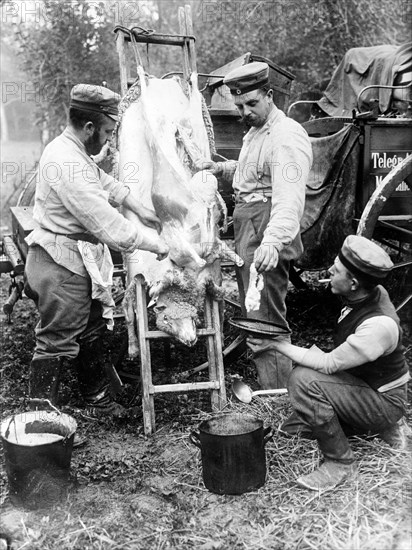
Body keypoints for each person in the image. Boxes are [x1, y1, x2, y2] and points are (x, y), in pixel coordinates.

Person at [24, 83, 169, 417]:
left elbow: (106, 184)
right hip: (59, 267)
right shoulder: (66, 162)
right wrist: (158, 244)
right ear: (88, 127)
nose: (107, 140)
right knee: (56, 342)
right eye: (106, 132)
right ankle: (40, 420)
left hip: (76, 259)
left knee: (91, 325)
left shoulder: (73, 151)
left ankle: (96, 399)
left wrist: (141, 207)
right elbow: (111, 228)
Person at [267, 235, 410, 491]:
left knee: (302, 379)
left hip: (385, 400)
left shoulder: (378, 325)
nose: (330, 270)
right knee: (295, 427)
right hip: (365, 383)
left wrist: (277, 345)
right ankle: (374, 427)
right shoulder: (368, 292)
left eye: (337, 270)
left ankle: (341, 461)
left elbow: (329, 364)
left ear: (354, 283)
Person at [201, 62, 313, 389]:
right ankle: (274, 385)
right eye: (239, 106)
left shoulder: (286, 135)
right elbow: (256, 171)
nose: (245, 111)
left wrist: (273, 242)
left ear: (269, 95)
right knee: (255, 311)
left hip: (266, 226)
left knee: (265, 319)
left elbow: (289, 197)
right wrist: (222, 170)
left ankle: (279, 399)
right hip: (252, 223)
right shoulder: (258, 130)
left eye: (252, 103)